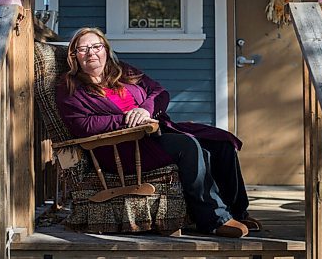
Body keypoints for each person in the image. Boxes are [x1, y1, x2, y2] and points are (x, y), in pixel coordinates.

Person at [55, 27, 262, 238]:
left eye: (96, 46)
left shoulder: (122, 71)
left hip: (154, 132)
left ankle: (237, 211)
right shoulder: (70, 87)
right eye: (83, 49)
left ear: (106, 50)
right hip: (121, 147)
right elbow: (82, 125)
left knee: (220, 142)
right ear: (74, 57)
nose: (91, 52)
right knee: (188, 147)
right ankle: (214, 220)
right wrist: (128, 120)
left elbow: (159, 92)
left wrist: (145, 109)